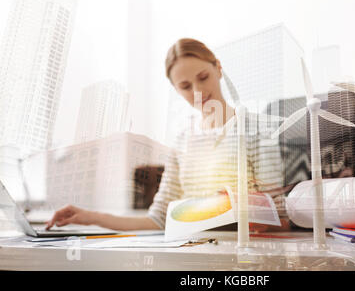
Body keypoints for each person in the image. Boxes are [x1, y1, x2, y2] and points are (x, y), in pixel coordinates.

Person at [46, 38, 291, 232]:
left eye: (203, 77)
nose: (198, 91)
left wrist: (237, 208)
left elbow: (281, 218)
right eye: (185, 86)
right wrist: (89, 217)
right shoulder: (183, 140)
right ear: (176, 90)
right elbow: (159, 219)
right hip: (191, 252)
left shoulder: (257, 130)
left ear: (218, 68)